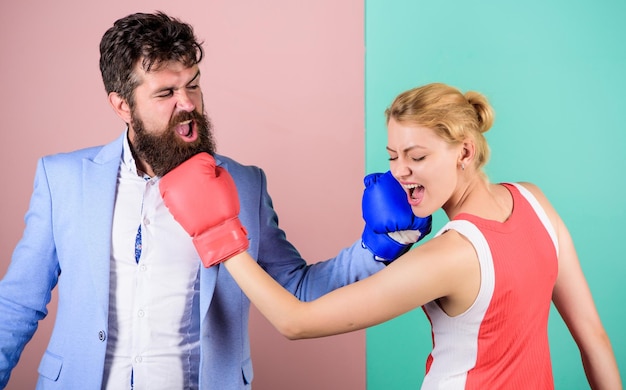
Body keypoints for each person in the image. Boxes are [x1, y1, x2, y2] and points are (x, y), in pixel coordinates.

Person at [0, 12, 433, 390]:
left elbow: (298, 289)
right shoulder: (63, 179)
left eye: (193, 85)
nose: (187, 104)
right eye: (165, 94)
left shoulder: (245, 184)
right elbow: (18, 304)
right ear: (122, 106)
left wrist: (379, 246)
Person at [170, 83, 623, 389]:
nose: (399, 172)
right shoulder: (535, 201)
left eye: (417, 156)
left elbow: (295, 321)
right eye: (392, 156)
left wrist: (221, 237)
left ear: (464, 150)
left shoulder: (452, 255)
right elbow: (594, 338)